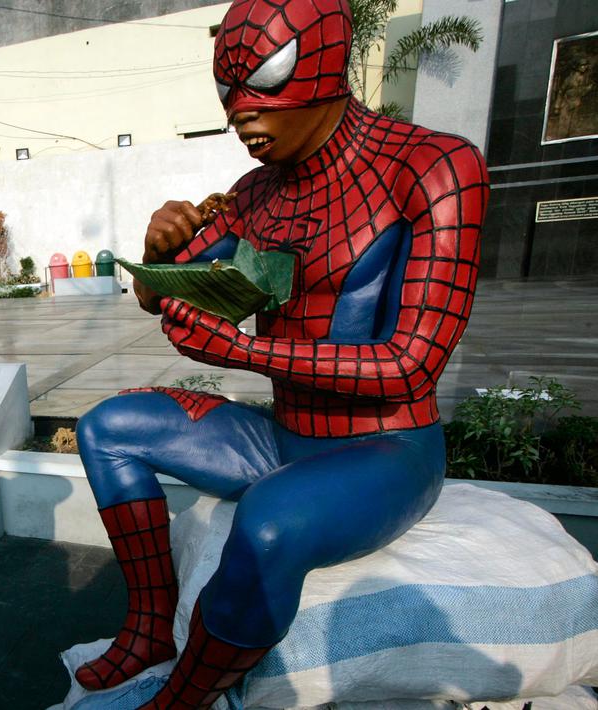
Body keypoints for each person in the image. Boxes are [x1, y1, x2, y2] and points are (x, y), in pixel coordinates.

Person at [71, 1, 490, 707]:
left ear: (324, 68)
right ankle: (148, 628)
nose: (244, 117)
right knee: (106, 428)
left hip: (387, 447)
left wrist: (245, 350)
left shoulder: (432, 167)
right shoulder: (252, 194)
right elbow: (161, 295)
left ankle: (184, 697)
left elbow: (413, 363)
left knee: (270, 523)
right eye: (231, 99)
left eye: (262, 92)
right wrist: (156, 251)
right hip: (286, 434)